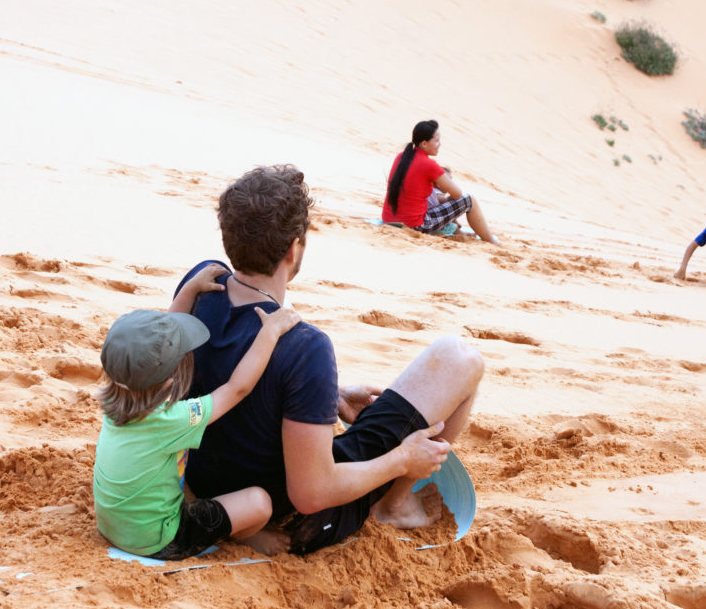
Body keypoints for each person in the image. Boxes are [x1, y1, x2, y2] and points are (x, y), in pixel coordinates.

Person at [177, 164, 486, 555]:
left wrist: (325, 395)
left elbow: (218, 370)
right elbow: (312, 493)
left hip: (202, 484)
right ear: (293, 248)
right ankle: (394, 505)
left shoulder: (200, 284)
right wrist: (402, 460)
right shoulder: (305, 346)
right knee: (462, 358)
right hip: (289, 519)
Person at [92, 265, 301, 560]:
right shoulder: (172, 419)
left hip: (114, 525)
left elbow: (157, 343)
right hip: (160, 539)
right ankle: (247, 537)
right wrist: (270, 332)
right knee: (259, 503)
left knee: (177, 470)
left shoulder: (116, 403)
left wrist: (190, 289)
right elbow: (236, 389)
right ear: (167, 382)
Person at [382, 119, 500, 244]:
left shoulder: (401, 156)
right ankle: (491, 241)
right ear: (424, 144)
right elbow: (457, 194)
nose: (440, 144)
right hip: (414, 225)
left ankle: (455, 231)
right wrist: (448, 199)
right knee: (469, 200)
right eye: (437, 140)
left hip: (388, 219)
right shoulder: (429, 165)